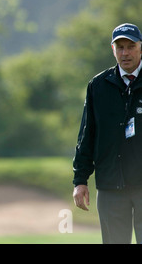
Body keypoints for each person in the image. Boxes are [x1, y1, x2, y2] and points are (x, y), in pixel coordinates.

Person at [73, 23, 142, 243]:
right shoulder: (98, 86)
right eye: (120, 47)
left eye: (130, 46)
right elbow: (87, 134)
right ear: (113, 50)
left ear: (140, 47)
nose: (125, 52)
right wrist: (80, 180)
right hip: (111, 185)